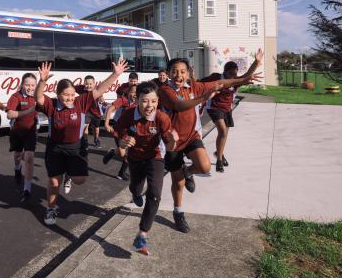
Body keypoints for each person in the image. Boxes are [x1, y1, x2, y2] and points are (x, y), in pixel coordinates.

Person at [159, 59, 261, 233]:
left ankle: (187, 171)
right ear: (168, 73)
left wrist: (243, 78)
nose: (179, 75)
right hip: (173, 142)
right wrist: (203, 98)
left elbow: (222, 82)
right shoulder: (165, 90)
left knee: (204, 166)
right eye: (175, 71)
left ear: (189, 73)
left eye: (183, 71)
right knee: (178, 184)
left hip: (192, 137)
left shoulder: (195, 87)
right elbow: (179, 105)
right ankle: (178, 212)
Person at [36, 59, 129, 225]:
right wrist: (42, 81)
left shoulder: (80, 102)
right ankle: (51, 208)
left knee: (80, 180)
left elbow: (100, 89)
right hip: (55, 147)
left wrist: (116, 74)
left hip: (76, 148)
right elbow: (39, 97)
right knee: (53, 181)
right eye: (66, 95)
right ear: (58, 95)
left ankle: (68, 175)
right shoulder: (51, 104)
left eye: (72, 95)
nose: (70, 98)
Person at [114, 81, 178, 256]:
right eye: (144, 101)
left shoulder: (162, 118)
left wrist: (173, 140)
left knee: (155, 194)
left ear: (158, 102)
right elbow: (118, 131)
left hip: (154, 158)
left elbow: (169, 145)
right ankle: (134, 192)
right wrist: (124, 140)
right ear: (137, 100)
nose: (149, 106)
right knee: (136, 187)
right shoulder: (128, 115)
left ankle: (142, 235)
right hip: (134, 159)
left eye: (153, 101)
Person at [200, 49, 263, 172]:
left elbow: (246, 76)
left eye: (235, 74)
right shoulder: (216, 77)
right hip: (214, 108)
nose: (233, 76)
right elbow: (200, 83)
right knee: (222, 131)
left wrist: (256, 62)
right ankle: (219, 161)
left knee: (224, 135)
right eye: (230, 74)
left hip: (227, 109)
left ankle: (219, 153)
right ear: (225, 71)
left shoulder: (235, 81)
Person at [6, 73, 38, 203]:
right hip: (17, 132)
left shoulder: (37, 97)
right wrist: (29, 111)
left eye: (32, 85)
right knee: (18, 155)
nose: (30, 88)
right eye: (27, 85)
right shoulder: (16, 97)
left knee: (29, 157)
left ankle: (27, 190)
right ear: (22, 85)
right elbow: (9, 114)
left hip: (31, 131)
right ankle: (17, 167)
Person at [102, 83, 137, 180]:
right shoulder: (123, 100)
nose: (134, 94)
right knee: (123, 154)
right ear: (128, 92)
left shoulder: (139, 102)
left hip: (131, 130)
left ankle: (121, 173)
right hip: (120, 130)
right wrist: (106, 123)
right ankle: (113, 153)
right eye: (132, 92)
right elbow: (110, 108)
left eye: (136, 92)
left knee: (129, 154)